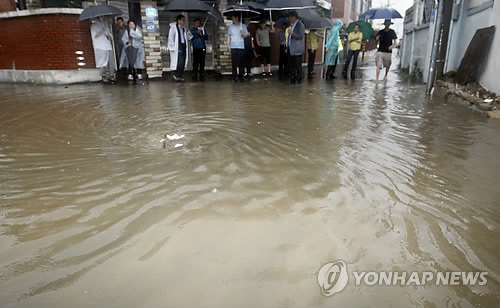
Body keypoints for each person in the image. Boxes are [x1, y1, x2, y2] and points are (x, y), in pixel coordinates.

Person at [90, 16, 115, 82]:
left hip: (107, 46)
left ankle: (111, 75)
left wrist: (108, 35)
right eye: (101, 17)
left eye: (103, 18)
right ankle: (103, 76)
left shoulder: (105, 26)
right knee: (102, 62)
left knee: (110, 61)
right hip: (100, 47)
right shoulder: (94, 26)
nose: (103, 19)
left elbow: (110, 35)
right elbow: (94, 35)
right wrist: (102, 31)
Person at [169, 15, 193, 82]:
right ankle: (176, 74)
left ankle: (180, 75)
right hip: (177, 47)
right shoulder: (174, 28)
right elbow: (171, 38)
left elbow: (188, 38)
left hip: (183, 46)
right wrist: (172, 47)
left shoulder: (183, 29)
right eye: (182, 20)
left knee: (183, 62)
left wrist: (189, 33)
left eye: (184, 20)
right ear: (178, 20)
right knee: (178, 62)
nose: (183, 21)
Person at [227, 15, 249, 82]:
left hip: (241, 46)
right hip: (233, 46)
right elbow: (229, 36)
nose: (232, 19)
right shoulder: (230, 27)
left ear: (237, 18)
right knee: (234, 63)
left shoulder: (243, 26)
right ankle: (234, 76)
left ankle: (241, 76)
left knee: (241, 63)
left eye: (233, 18)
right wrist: (228, 45)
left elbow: (247, 35)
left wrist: (243, 34)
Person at [287, 11, 305, 84]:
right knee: (292, 65)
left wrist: (292, 33)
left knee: (298, 65)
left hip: (297, 49)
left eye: (290, 18)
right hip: (291, 49)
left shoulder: (300, 25)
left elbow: (300, 36)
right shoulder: (292, 25)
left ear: (294, 17)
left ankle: (299, 78)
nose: (289, 19)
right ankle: (293, 77)